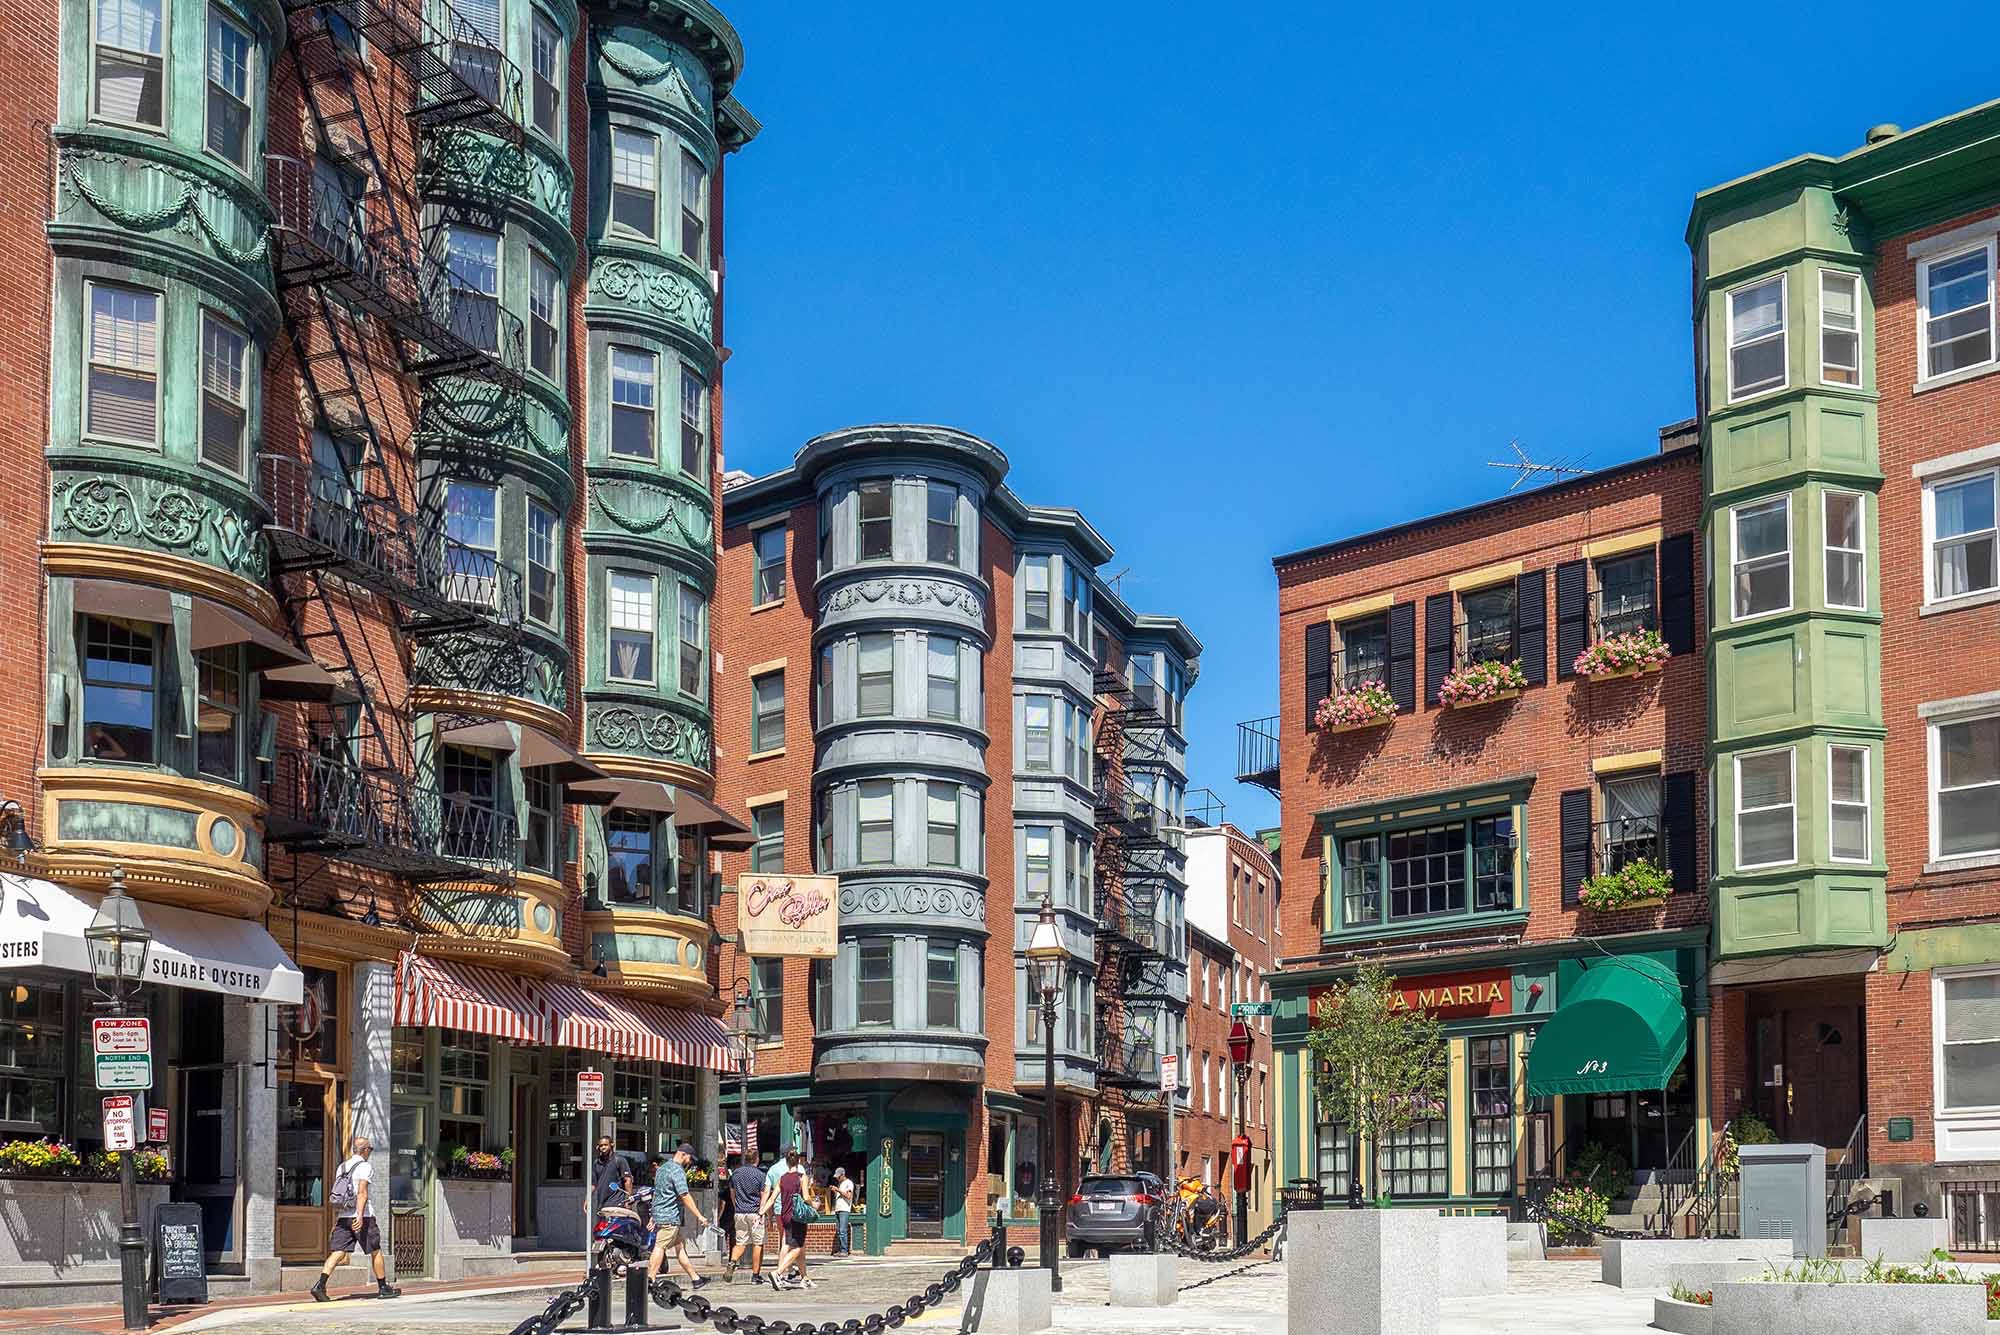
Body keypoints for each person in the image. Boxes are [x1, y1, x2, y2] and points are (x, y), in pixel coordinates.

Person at [310, 1135, 399, 1301]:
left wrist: (338, 1218)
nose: (370, 1152)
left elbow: (341, 1194)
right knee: (375, 1250)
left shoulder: (342, 1167)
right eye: (370, 1149)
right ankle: (383, 1288)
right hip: (363, 1216)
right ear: (365, 1150)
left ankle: (320, 1285)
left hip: (343, 1217)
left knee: (338, 1252)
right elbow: (362, 1192)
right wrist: (359, 1215)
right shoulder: (365, 1166)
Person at [645, 1141, 709, 1292]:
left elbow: (658, 1194)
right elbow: (685, 1195)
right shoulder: (677, 1171)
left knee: (680, 1247)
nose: (690, 1162)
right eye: (690, 1159)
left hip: (663, 1214)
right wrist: (700, 1216)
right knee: (660, 1246)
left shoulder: (662, 1168)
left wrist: (653, 1215)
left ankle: (696, 1279)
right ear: (683, 1154)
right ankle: (650, 1279)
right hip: (670, 1217)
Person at [770, 1146, 812, 1291]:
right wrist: (814, 1205)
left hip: (785, 1215)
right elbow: (806, 1197)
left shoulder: (782, 1178)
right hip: (797, 1216)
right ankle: (778, 1273)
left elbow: (772, 1198)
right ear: (798, 1161)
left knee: (790, 1245)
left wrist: (761, 1212)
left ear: (787, 1162)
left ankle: (804, 1278)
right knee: (798, 1248)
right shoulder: (802, 1177)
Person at [724, 1150, 768, 1284]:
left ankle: (732, 1262)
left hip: (739, 1212)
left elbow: (732, 1194)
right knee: (758, 1243)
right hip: (755, 1212)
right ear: (757, 1159)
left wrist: (737, 1206)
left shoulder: (735, 1174)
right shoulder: (760, 1175)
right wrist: (764, 1212)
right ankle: (755, 1275)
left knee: (740, 1243)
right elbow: (763, 1196)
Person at [593, 1134, 634, 1218]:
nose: (603, 1147)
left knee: (615, 1229)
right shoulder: (596, 1163)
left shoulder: (619, 1160)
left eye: (605, 1145)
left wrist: (628, 1200)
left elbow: (627, 1180)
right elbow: (593, 1184)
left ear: (612, 1145)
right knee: (602, 1229)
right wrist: (587, 1199)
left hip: (617, 1203)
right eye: (601, 1145)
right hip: (602, 1204)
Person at [830, 1165, 855, 1256]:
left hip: (844, 1209)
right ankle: (841, 1250)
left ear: (842, 1175)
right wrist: (835, 1191)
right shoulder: (840, 1184)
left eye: (838, 1177)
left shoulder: (849, 1183)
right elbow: (841, 1196)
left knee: (842, 1230)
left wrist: (838, 1190)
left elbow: (849, 1196)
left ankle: (844, 1250)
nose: (837, 1179)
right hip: (838, 1209)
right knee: (839, 1231)